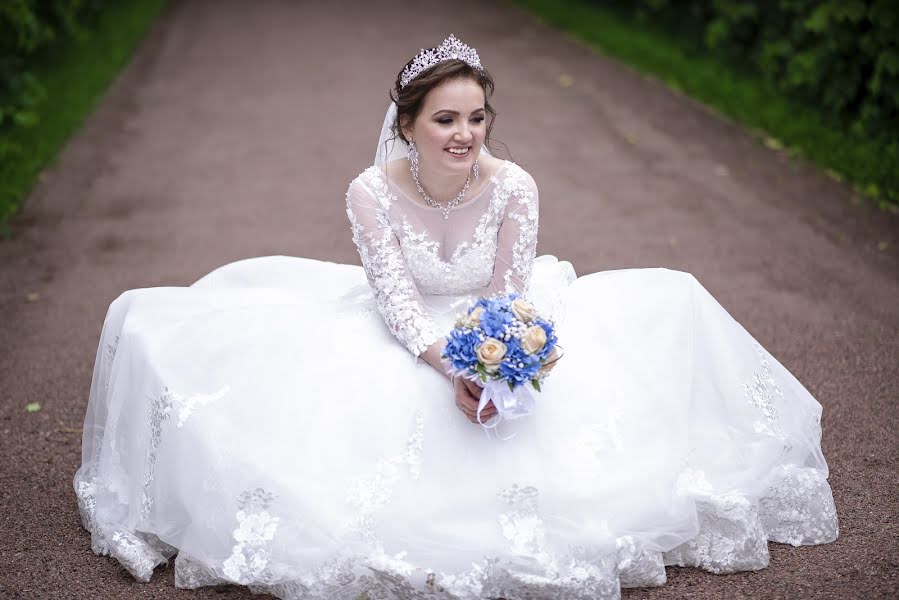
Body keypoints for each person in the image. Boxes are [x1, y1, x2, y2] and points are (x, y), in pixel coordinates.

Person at [75, 35, 838, 599]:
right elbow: (397, 302)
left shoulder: (513, 186)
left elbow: (509, 293)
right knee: (165, 332)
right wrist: (451, 368)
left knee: (669, 298)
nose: (464, 136)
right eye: (444, 119)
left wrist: (500, 363)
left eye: (476, 117)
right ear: (406, 124)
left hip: (488, 317)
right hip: (408, 331)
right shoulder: (369, 191)